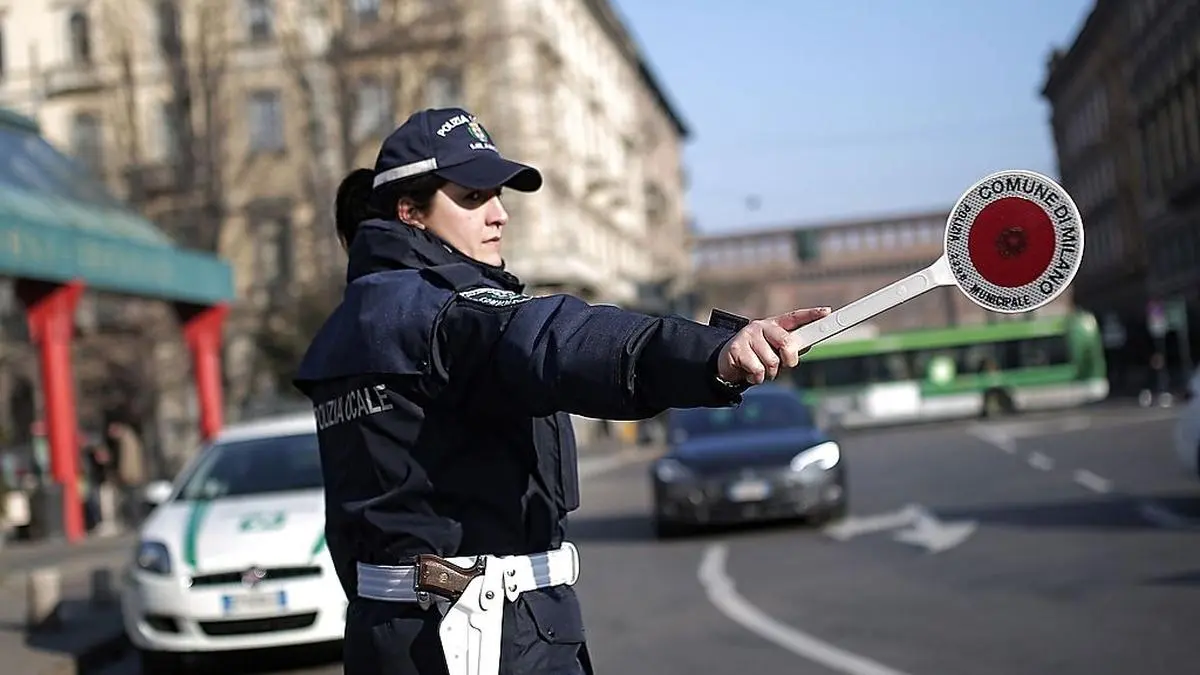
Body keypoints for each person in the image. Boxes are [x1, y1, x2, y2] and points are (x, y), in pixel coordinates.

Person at [293, 107, 830, 675]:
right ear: (410, 212)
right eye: (472, 198)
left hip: (391, 633)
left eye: (498, 195)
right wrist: (711, 354)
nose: (499, 214)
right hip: (482, 637)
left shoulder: (350, 325)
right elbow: (559, 338)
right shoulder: (446, 313)